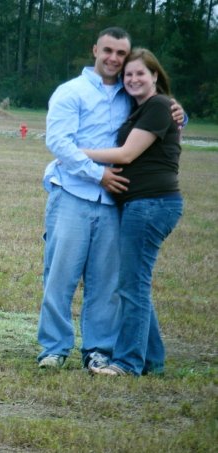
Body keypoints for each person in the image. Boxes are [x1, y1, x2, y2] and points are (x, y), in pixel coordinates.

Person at [37, 27, 185, 370]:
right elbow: (59, 143)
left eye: (121, 54)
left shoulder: (128, 93)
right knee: (60, 277)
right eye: (108, 51)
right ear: (94, 50)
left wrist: (180, 113)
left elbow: (159, 113)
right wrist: (98, 173)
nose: (114, 59)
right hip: (73, 194)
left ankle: (98, 349)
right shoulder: (70, 92)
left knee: (106, 284)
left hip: (112, 203)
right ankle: (54, 349)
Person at [82, 48, 183, 376]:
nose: (133, 79)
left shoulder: (158, 105)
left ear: (155, 76)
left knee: (132, 286)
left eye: (141, 73)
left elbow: (126, 154)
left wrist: (76, 153)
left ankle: (126, 363)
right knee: (135, 284)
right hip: (143, 205)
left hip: (151, 205)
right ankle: (153, 361)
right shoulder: (144, 109)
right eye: (128, 75)